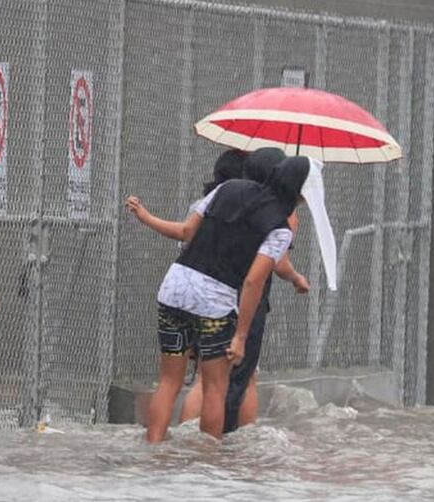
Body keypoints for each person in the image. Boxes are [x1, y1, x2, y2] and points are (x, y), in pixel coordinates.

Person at [130, 155, 321, 442]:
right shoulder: (280, 228)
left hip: (175, 287)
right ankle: (208, 463)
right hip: (214, 302)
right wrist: (240, 336)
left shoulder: (228, 188)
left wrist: (145, 217)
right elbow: (254, 280)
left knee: (169, 381)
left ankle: (152, 448)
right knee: (215, 388)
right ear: (301, 194)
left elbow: (185, 232)